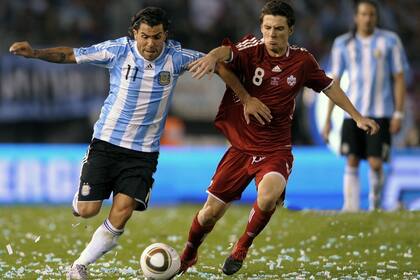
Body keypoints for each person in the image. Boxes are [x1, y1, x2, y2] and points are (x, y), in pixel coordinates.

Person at [9, 7, 271, 280]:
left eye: (156, 37)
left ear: (165, 36)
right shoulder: (117, 51)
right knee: (88, 211)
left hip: (143, 154)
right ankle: (82, 199)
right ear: (134, 33)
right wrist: (35, 53)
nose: (150, 43)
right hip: (106, 143)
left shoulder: (177, 57)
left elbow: (218, 65)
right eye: (144, 36)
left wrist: (245, 97)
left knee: (122, 212)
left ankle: (79, 266)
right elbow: (72, 54)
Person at [178, 0, 379, 276]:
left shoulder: (302, 61)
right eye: (268, 28)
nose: (272, 34)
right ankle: (189, 254)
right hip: (241, 148)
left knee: (268, 195)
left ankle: (242, 247)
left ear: (291, 30)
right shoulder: (252, 50)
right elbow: (224, 55)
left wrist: (357, 116)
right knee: (209, 213)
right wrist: (234, 83)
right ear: (261, 28)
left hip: (276, 149)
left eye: (279, 29)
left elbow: (329, 86)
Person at [322, 0, 409, 212]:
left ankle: (375, 204)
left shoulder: (390, 41)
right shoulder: (343, 43)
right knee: (351, 159)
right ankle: (350, 208)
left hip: (381, 112)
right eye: (363, 14)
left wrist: (398, 113)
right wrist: (327, 120)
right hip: (353, 113)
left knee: (375, 163)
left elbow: (399, 78)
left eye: (371, 14)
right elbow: (334, 82)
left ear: (376, 17)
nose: (367, 18)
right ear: (356, 17)